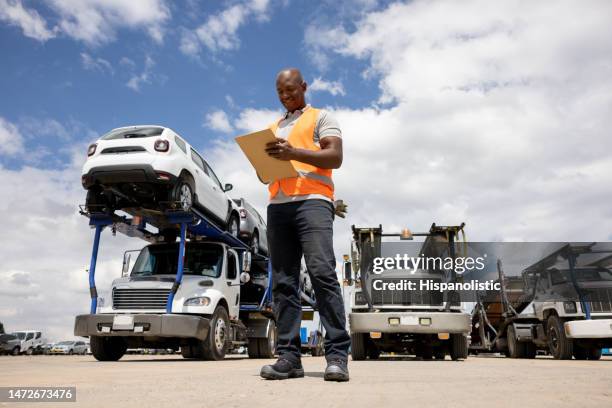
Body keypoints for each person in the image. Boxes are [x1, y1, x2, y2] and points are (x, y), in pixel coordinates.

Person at [259, 68, 350, 382]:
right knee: (283, 283)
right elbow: (266, 173)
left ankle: (337, 356)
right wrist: (264, 163)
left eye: (291, 91)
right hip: (278, 207)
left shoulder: (322, 117)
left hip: (314, 202)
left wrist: (293, 152)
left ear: (303, 87)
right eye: (281, 93)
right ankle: (289, 357)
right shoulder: (273, 128)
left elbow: (334, 156)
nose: (286, 97)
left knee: (322, 273)